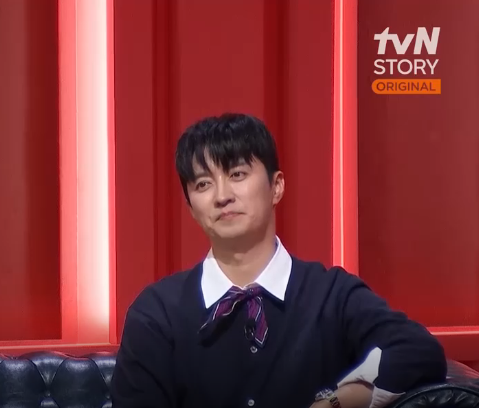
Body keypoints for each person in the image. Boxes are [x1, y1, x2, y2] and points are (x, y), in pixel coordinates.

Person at [110, 113, 447, 408]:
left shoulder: (332, 295)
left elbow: (418, 351)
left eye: (237, 174)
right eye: (203, 184)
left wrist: (340, 400)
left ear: (277, 187)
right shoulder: (156, 314)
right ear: (191, 209)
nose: (222, 195)